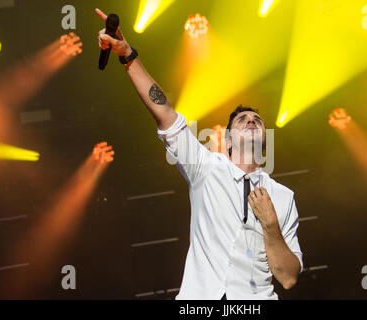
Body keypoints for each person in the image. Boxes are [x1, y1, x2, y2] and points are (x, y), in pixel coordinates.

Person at [96, 8, 303, 300]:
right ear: (228, 140)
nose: (251, 121)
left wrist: (270, 224)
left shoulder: (283, 197)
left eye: (256, 120)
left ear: (264, 141)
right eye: (242, 120)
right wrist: (128, 54)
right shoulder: (207, 167)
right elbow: (164, 111)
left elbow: (289, 277)